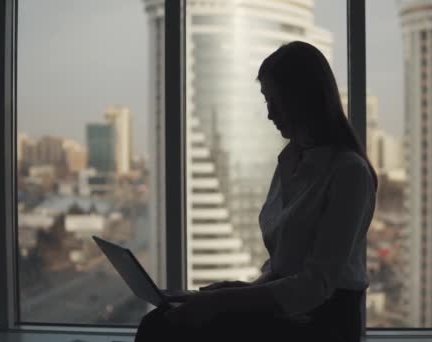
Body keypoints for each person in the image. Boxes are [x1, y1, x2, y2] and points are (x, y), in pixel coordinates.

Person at [134, 41, 378, 342]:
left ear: (303, 99)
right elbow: (285, 266)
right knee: (164, 319)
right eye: (267, 102)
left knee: (163, 327)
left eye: (275, 101)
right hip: (292, 313)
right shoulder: (290, 162)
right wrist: (241, 289)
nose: (270, 114)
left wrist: (223, 303)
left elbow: (316, 284)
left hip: (323, 324)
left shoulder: (348, 172)